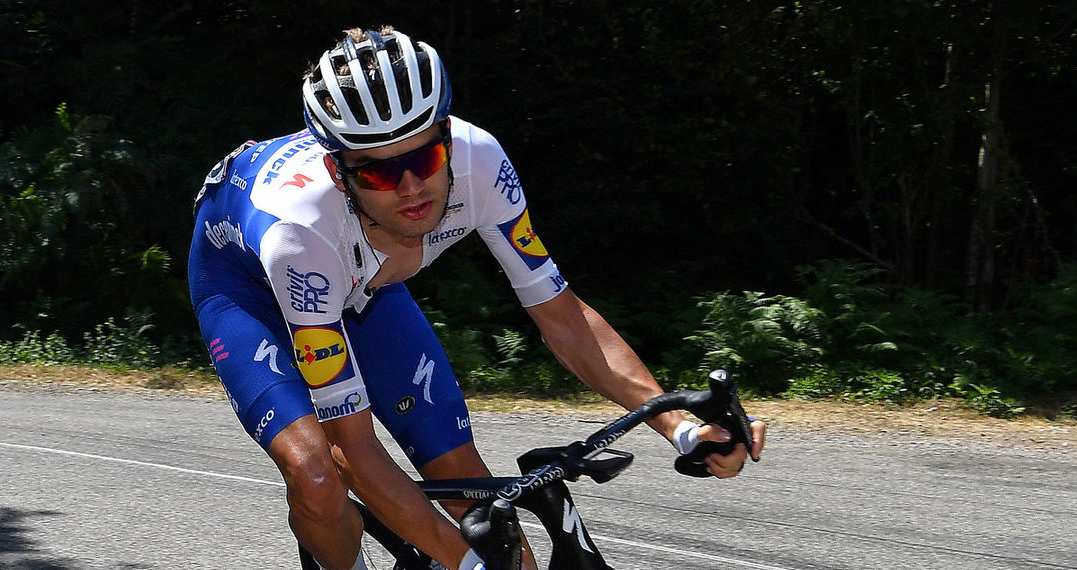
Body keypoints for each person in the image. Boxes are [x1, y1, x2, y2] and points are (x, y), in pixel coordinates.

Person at [188, 26, 767, 570]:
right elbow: (355, 452)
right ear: (340, 174)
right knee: (317, 474)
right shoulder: (302, 235)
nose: (412, 187)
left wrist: (682, 427)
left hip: (365, 282)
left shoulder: (479, 161)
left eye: (425, 158)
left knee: (466, 480)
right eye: (379, 175)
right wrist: (465, 562)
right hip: (248, 289)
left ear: (448, 137)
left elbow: (565, 321)